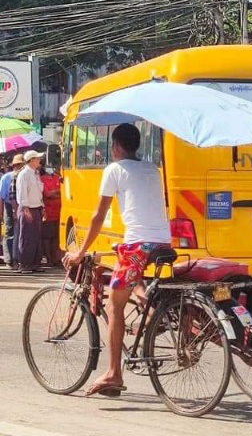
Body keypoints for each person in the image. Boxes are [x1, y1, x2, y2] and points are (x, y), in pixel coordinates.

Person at [63, 124, 172, 396]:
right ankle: (150, 310)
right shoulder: (152, 169)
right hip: (161, 243)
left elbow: (98, 216)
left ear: (115, 146)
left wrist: (80, 251)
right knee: (124, 272)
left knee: (113, 305)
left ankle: (113, 373)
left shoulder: (114, 169)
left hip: (138, 245)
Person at [15, 150, 45, 274]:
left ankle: (34, 263)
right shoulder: (24, 174)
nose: (39, 160)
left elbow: (38, 192)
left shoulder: (35, 173)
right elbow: (22, 193)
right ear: (31, 160)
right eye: (37, 158)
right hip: (27, 208)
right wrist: (25, 208)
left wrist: (42, 207)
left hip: (36, 207)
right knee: (27, 237)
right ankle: (25, 264)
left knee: (36, 237)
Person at [0, 154, 23, 268]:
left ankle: (18, 258)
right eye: (20, 164)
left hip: (21, 204)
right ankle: (9, 260)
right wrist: (1, 212)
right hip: (9, 206)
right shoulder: (6, 177)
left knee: (19, 233)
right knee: (9, 232)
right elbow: (2, 197)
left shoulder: (23, 175)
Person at [40, 158, 62, 267]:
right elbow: (47, 194)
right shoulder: (41, 179)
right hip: (48, 214)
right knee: (47, 238)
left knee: (56, 237)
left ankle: (55, 258)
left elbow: (62, 191)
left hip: (59, 213)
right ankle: (49, 259)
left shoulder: (58, 178)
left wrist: (54, 193)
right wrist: (56, 193)